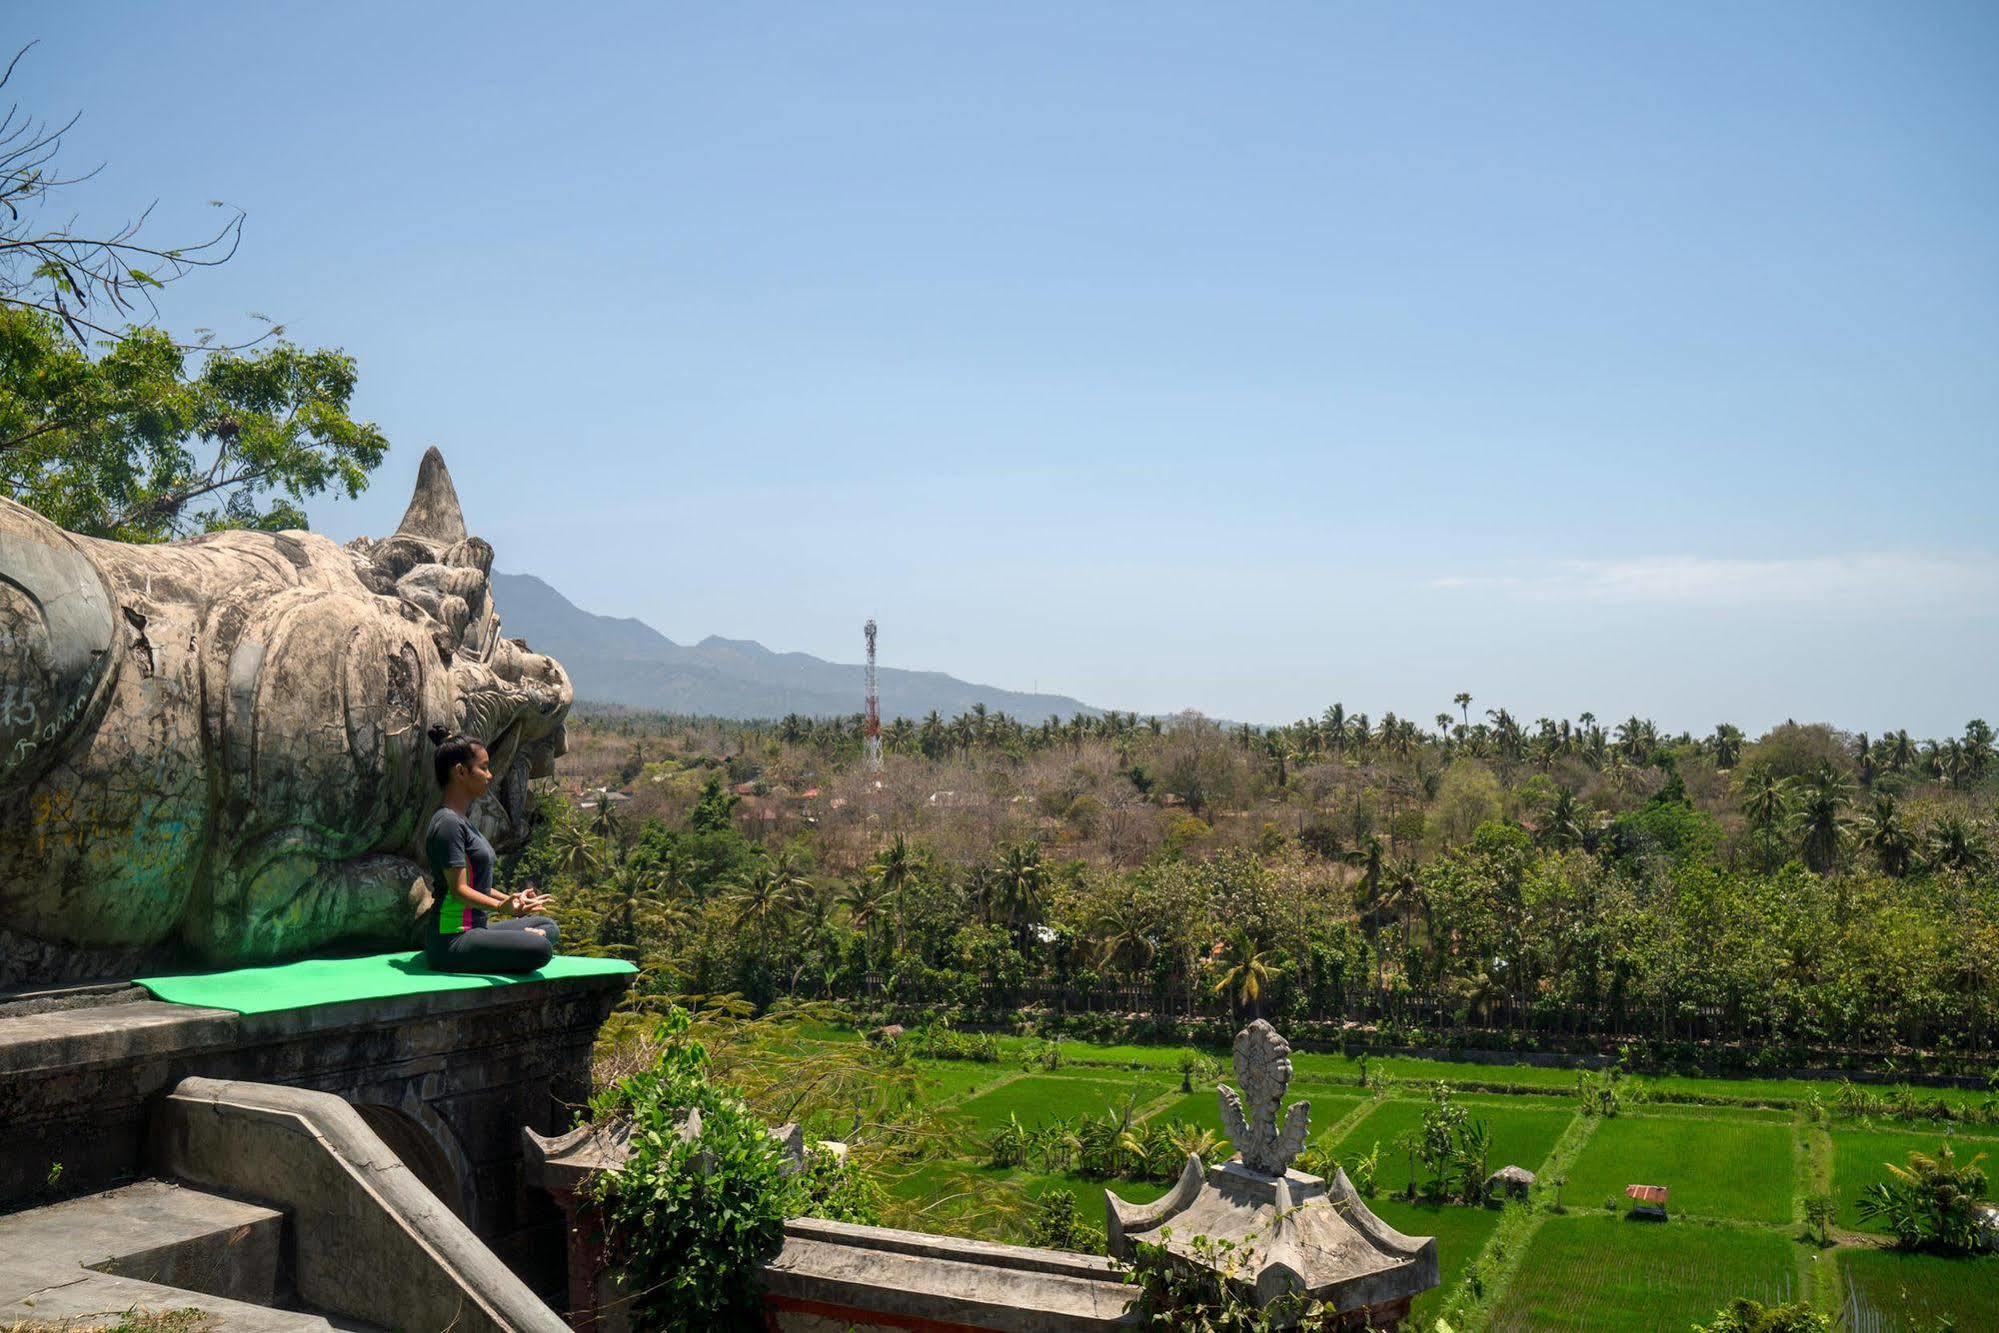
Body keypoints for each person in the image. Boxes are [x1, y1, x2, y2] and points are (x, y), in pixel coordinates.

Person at [421, 727, 560, 972]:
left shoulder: (461, 820)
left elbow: (476, 885)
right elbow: (459, 890)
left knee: (548, 926)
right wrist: (500, 907)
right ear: (461, 772)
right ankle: (529, 941)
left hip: (477, 928)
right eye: (483, 768)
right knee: (541, 949)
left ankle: (529, 937)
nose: (490, 775)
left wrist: (513, 899)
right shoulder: (448, 824)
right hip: (452, 938)